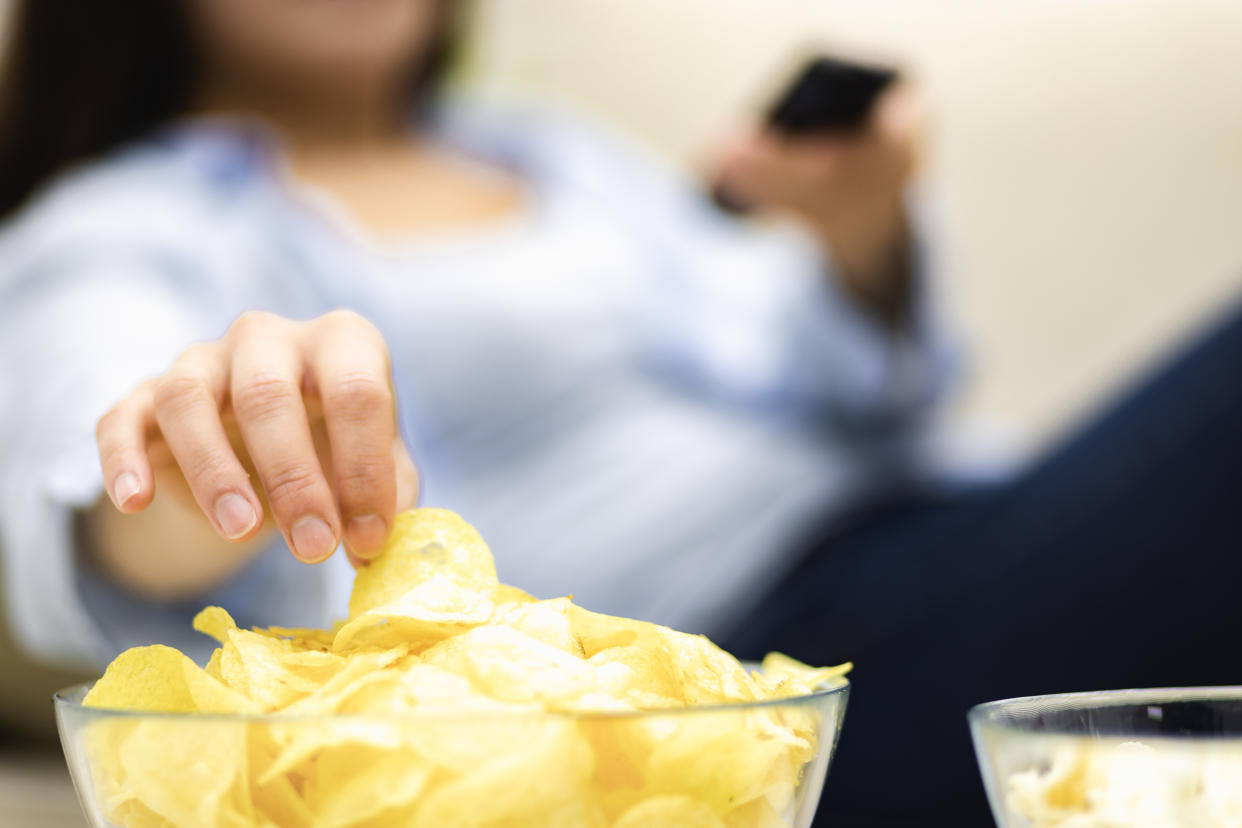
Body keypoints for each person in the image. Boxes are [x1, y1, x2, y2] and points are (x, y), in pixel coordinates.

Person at [0, 1, 1237, 825]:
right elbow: (98, 489)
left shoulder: (558, 157)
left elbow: (863, 399)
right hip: (739, 695)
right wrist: (199, 460)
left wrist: (858, 251)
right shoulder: (126, 226)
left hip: (938, 555)